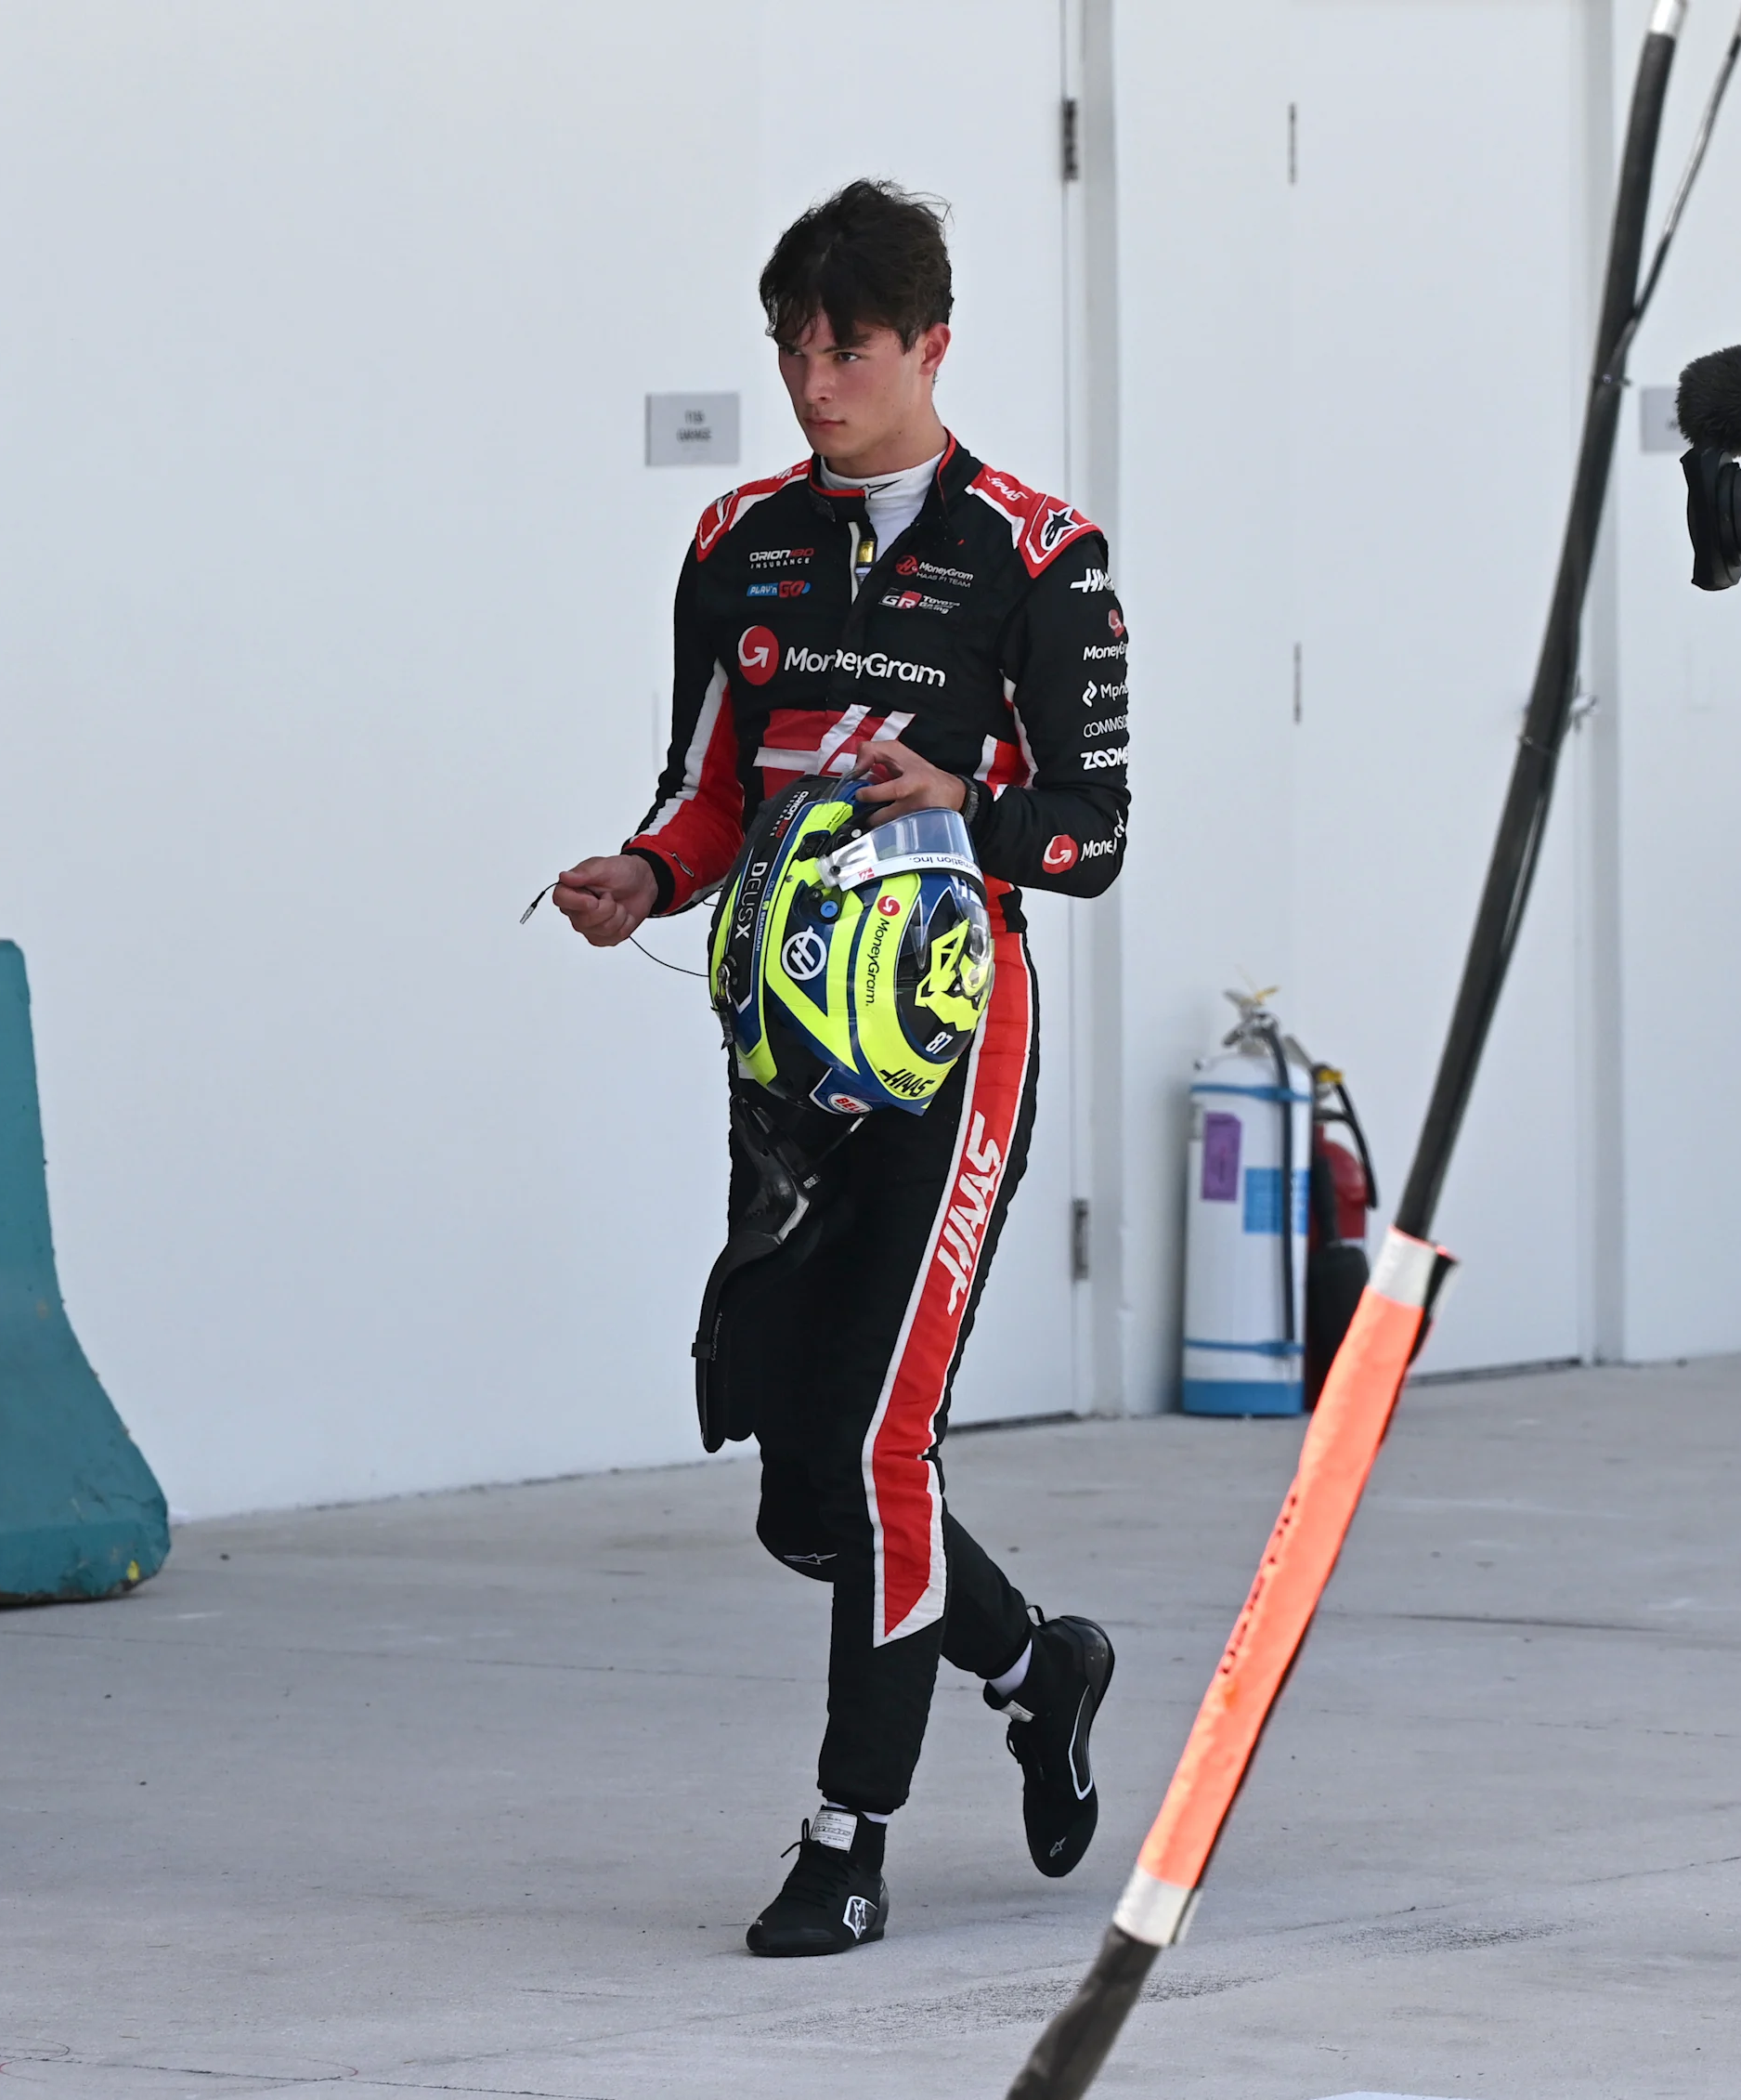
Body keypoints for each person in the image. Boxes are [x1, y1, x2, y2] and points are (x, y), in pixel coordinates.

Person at [552, 179, 1131, 1957]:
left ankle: (846, 1838)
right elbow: (708, 790)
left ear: (932, 345)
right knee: (807, 1488)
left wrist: (972, 801)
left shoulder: (1041, 552)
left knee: (884, 1442)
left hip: (954, 1052)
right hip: (784, 1057)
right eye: (792, 351)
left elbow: (1095, 834)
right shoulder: (736, 538)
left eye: (850, 351)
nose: (816, 384)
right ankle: (1038, 1668)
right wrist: (644, 875)